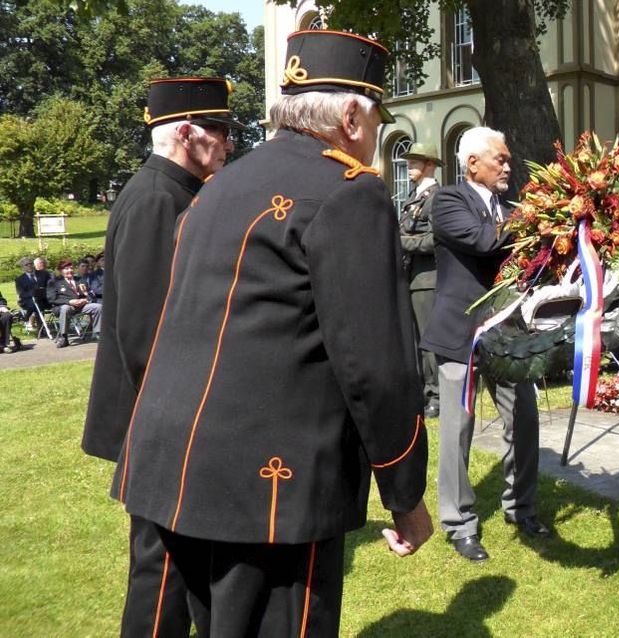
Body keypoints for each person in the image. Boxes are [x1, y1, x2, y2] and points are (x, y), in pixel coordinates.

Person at [111, 30, 432, 636]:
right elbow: (376, 368)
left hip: (170, 463)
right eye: (377, 119)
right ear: (353, 116)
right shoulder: (350, 193)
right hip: (272, 489)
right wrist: (405, 493)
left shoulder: (218, 187)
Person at [81, 76, 242, 638]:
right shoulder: (156, 199)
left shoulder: (177, 192)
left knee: (181, 571)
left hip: (168, 419)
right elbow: (147, 335)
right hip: (163, 422)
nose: (228, 143)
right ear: (187, 132)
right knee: (161, 578)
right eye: (219, 131)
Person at [421, 126, 550, 563]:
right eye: (502, 158)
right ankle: (459, 523)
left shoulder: (510, 209)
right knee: (458, 430)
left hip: (508, 334)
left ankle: (522, 508)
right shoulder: (449, 200)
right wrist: (537, 217)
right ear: (473, 163)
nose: (508, 166)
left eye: (508, 159)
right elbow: (483, 240)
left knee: (525, 421)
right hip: (460, 334)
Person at [398, 142, 443, 418]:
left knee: (428, 342)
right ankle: (421, 394)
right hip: (411, 277)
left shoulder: (436, 197)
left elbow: (437, 240)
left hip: (428, 278)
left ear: (430, 165)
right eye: (410, 161)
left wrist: (402, 242)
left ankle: (436, 396)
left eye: (415, 161)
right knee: (414, 340)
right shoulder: (413, 197)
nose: (409, 165)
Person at [47, 260, 102, 348]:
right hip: (65, 307)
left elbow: (90, 294)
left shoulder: (80, 280)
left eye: (71, 268)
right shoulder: (54, 282)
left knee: (98, 307)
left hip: (81, 306)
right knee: (65, 308)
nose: (70, 270)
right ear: (60, 271)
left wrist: (85, 299)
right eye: (66, 269)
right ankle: (64, 337)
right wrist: (69, 302)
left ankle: (98, 333)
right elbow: (52, 299)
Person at [14, 257, 40, 329]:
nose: (29, 266)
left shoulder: (41, 275)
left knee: (38, 304)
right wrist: (33, 294)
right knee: (35, 304)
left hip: (42, 299)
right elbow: (21, 294)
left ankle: (26, 318)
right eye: (26, 264)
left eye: (30, 263)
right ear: (23, 267)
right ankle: (40, 327)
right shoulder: (19, 280)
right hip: (27, 301)